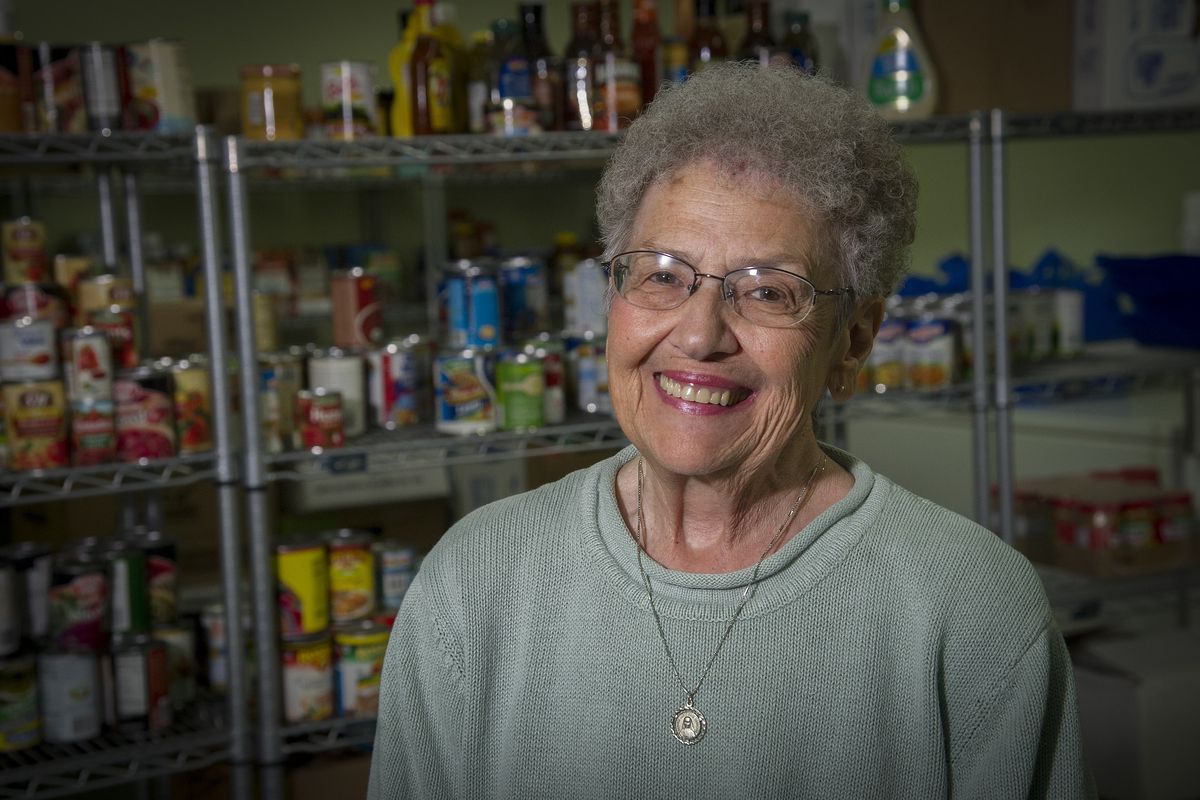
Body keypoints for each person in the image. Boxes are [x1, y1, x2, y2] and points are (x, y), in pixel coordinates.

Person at [368, 63, 1095, 799]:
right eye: (660, 275)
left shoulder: (972, 605)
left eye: (770, 292)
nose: (700, 335)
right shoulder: (475, 579)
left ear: (852, 341)